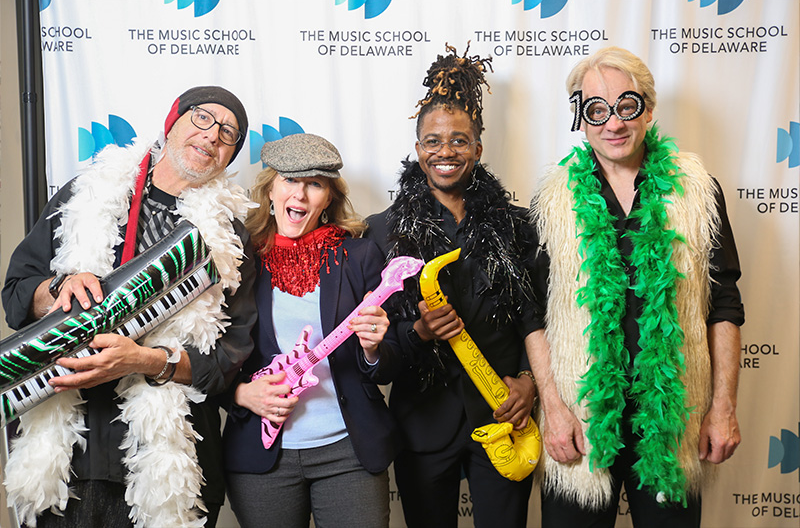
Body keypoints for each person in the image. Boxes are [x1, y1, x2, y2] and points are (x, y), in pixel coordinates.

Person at [2, 86, 257, 527]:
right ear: (171, 122)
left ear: (229, 156)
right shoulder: (84, 194)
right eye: (201, 118)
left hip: (169, 461)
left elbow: (228, 360)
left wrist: (142, 360)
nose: (213, 135)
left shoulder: (231, 242)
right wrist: (60, 287)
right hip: (69, 456)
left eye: (228, 132)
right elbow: (16, 293)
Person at [528, 46, 745, 528]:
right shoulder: (553, 198)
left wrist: (723, 407)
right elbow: (531, 313)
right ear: (580, 119)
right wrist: (553, 407)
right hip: (582, 422)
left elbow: (724, 304)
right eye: (597, 109)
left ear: (647, 109)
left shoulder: (696, 191)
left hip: (670, 420)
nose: (614, 122)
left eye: (627, 105)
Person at [365, 44, 541, 528]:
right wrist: (419, 331)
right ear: (418, 149)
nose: (447, 151)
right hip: (423, 423)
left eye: (460, 140)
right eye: (433, 141)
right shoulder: (381, 231)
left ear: (478, 149)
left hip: (505, 414)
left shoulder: (519, 225)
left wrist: (529, 383)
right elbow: (377, 345)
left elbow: (537, 318)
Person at [222, 133, 401, 528]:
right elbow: (207, 356)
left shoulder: (359, 256)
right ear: (270, 188)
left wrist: (374, 349)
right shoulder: (236, 258)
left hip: (348, 452)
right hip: (262, 455)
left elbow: (390, 362)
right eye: (289, 181)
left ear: (329, 197)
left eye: (314, 184)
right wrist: (239, 392)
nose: (300, 196)